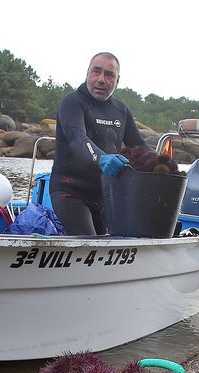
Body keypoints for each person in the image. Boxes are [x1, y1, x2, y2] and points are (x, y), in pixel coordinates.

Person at [50, 52, 147, 236]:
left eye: (109, 74)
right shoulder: (71, 102)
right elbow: (78, 139)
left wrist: (165, 165)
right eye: (96, 72)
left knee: (112, 241)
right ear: (87, 73)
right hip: (70, 191)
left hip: (104, 196)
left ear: (117, 81)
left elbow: (139, 147)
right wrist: (102, 159)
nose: (101, 79)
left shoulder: (121, 110)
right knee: (90, 243)